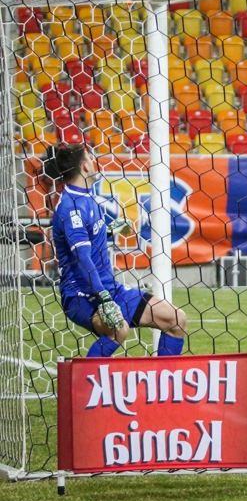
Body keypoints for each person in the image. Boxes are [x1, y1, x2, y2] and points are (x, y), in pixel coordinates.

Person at [43, 144, 188, 358]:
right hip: (81, 295)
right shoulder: (71, 207)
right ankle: (85, 380)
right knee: (118, 329)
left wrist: (110, 231)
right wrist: (104, 298)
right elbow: (82, 258)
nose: (93, 162)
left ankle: (164, 379)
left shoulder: (86, 196)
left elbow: (89, 238)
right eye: (90, 158)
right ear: (84, 166)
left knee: (175, 319)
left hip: (109, 289)